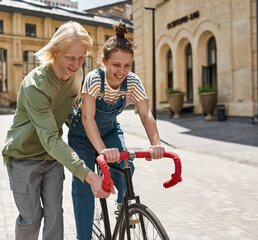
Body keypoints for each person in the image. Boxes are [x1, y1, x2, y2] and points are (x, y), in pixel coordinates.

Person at [2, 21, 114, 240]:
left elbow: (68, 114)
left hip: (52, 159)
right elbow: (51, 138)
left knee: (55, 215)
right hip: (23, 157)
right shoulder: (37, 85)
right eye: (70, 58)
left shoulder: (77, 76)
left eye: (82, 58)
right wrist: (89, 176)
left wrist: (94, 141)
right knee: (31, 219)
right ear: (55, 52)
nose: (76, 64)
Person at [67, 20, 165, 240]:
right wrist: (102, 151)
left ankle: (123, 203)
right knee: (84, 188)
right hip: (82, 136)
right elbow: (87, 117)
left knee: (126, 164)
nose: (121, 71)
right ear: (104, 61)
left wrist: (156, 144)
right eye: (116, 65)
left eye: (127, 65)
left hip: (109, 130)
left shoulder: (132, 82)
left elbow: (146, 114)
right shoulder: (94, 79)